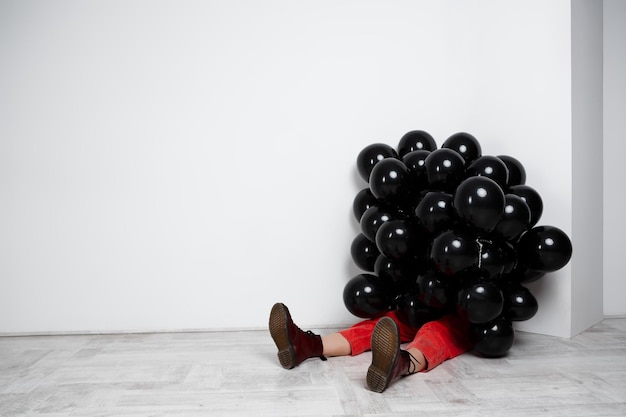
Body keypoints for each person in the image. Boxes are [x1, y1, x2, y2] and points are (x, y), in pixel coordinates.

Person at [269, 302, 473, 393]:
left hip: (470, 308)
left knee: (438, 332)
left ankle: (401, 362)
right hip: (424, 299)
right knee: (387, 322)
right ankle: (305, 345)